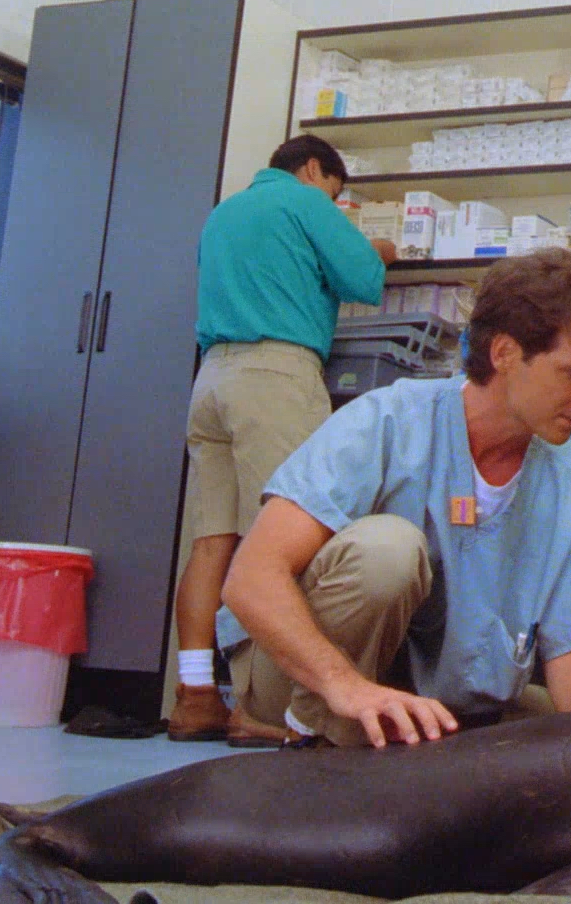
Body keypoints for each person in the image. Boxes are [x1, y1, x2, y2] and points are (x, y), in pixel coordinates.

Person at [217, 250, 571, 748]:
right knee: (387, 550)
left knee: (568, 736)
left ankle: (391, 742)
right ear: (504, 353)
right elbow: (251, 578)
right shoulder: (388, 421)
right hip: (306, 678)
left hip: (438, 696)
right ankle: (315, 738)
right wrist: (345, 686)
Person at [168, 134, 396, 742]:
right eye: (336, 192)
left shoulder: (224, 213)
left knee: (212, 544)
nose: (334, 203)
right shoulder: (305, 200)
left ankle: (195, 696)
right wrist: (381, 247)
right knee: (286, 542)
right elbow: (365, 277)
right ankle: (261, 709)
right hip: (275, 376)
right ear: (314, 169)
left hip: (211, 379)